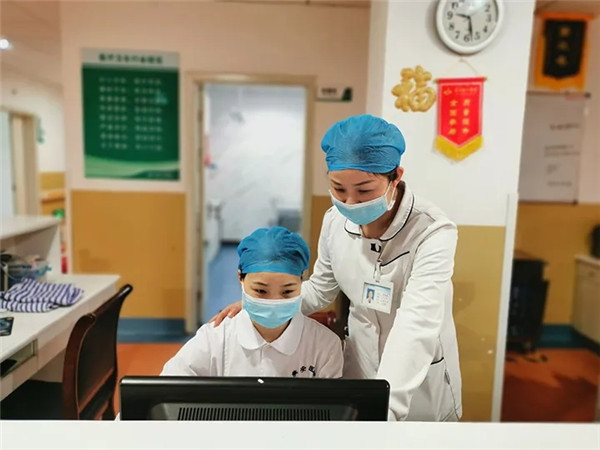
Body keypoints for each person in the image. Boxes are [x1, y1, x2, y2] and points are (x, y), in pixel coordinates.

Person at [211, 114, 462, 421]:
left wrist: (386, 407)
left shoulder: (432, 232)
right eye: (338, 189)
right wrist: (268, 303)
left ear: (395, 177)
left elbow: (417, 323)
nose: (351, 202)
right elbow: (321, 289)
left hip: (416, 381)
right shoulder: (334, 221)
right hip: (360, 364)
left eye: (365, 191)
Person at [162, 226, 343, 378]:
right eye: (261, 291)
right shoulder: (215, 338)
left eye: (287, 292)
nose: (274, 302)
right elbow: (169, 388)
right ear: (240, 278)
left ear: (302, 281)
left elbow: (333, 406)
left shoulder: (324, 345)